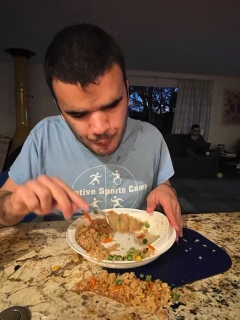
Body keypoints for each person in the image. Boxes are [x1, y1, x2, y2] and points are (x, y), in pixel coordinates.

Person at [0, 24, 182, 238]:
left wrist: (166, 191)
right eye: (78, 114)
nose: (100, 128)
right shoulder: (44, 136)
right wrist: (12, 205)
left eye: (112, 104)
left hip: (135, 249)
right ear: (59, 106)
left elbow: (164, 187)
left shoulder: (151, 137)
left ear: (127, 89)